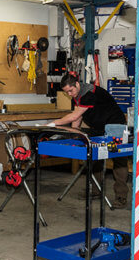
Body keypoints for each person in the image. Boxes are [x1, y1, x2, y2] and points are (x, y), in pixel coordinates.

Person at [47, 72, 129, 209]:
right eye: (66, 92)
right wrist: (75, 134)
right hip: (98, 127)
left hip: (115, 127)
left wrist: (52, 123)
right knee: (94, 156)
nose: (70, 94)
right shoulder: (78, 95)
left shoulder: (89, 93)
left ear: (77, 84)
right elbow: (77, 119)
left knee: (119, 160)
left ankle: (121, 197)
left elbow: (74, 116)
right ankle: (96, 191)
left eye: (71, 90)